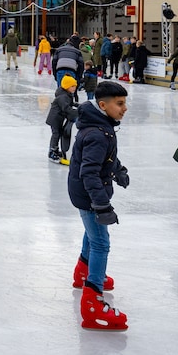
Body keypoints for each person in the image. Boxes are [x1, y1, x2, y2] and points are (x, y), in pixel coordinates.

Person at [67, 80, 130, 331]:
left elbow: (106, 158)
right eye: (120, 104)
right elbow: (89, 172)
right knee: (101, 243)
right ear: (103, 105)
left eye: (125, 103)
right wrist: (102, 205)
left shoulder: (101, 126)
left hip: (88, 193)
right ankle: (93, 301)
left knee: (91, 233)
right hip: (90, 195)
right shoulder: (97, 133)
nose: (124, 108)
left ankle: (82, 273)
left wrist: (118, 169)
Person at [46, 75, 79, 164]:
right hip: (55, 119)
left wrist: (78, 106)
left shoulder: (67, 95)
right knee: (56, 134)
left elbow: (71, 104)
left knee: (59, 133)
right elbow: (66, 108)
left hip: (59, 118)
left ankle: (55, 149)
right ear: (66, 86)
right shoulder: (63, 97)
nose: (74, 88)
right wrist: (77, 112)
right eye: (72, 86)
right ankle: (52, 152)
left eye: (75, 86)